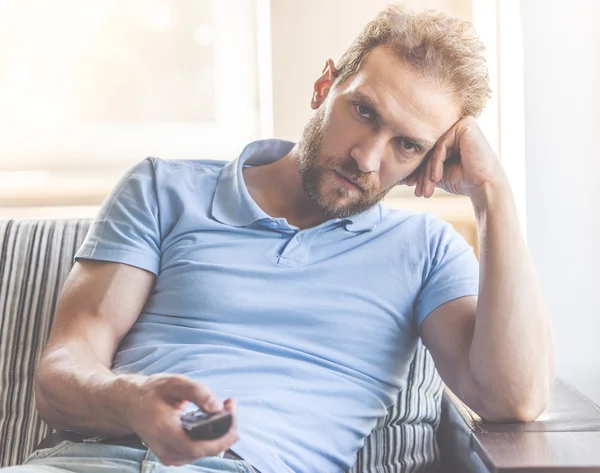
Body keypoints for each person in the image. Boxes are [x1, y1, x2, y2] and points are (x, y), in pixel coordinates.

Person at [3, 5, 554, 473]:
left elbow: (514, 397)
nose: (367, 157)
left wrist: (492, 193)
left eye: (406, 146)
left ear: (430, 158)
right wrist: (131, 401)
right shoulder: (162, 188)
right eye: (363, 111)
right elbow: (60, 375)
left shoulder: (426, 252)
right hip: (84, 460)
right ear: (324, 85)